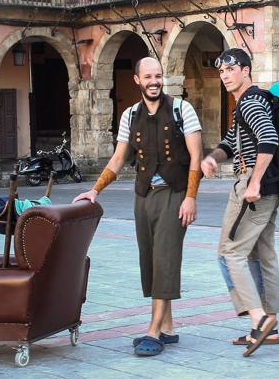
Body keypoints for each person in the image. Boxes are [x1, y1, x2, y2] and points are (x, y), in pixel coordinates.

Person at [72, 57, 203, 356]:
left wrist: (191, 197)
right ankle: (168, 326)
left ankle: (153, 331)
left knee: (165, 259)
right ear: (137, 80)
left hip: (174, 193)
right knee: (151, 260)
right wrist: (95, 190)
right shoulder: (130, 115)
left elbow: (196, 157)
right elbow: (119, 159)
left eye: (158, 75)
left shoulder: (183, 110)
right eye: (148, 76)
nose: (154, 81)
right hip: (143, 196)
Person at [200, 48, 279, 357]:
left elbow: (268, 139)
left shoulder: (250, 102)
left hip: (253, 185)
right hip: (267, 186)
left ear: (246, 70)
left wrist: (255, 181)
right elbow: (229, 144)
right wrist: (212, 158)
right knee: (262, 255)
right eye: (221, 72)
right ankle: (269, 328)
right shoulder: (247, 104)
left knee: (229, 253)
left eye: (230, 70)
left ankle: (259, 319)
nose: (225, 76)